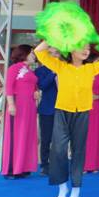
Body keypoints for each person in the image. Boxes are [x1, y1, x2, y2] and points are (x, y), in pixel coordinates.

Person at [34, 41, 99, 197]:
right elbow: (38, 51)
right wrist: (54, 35)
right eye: (82, 47)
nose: (86, 50)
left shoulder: (91, 68)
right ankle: (62, 188)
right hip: (62, 112)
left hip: (82, 113)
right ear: (72, 50)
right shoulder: (60, 66)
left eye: (88, 48)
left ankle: (75, 190)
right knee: (58, 151)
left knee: (78, 151)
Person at [2, 45, 38, 179]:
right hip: (18, 106)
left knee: (27, 135)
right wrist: (11, 104)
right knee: (16, 136)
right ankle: (11, 169)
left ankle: (23, 167)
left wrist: (36, 92)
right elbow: (9, 87)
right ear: (24, 54)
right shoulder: (14, 68)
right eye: (32, 53)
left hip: (30, 107)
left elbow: (33, 86)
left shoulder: (29, 70)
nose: (34, 56)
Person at [35, 47, 59, 176]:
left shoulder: (65, 68)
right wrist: (53, 73)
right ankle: (45, 165)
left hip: (63, 109)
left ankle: (58, 163)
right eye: (52, 53)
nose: (55, 55)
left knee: (60, 139)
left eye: (57, 53)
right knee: (46, 139)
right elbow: (42, 85)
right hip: (47, 109)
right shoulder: (40, 71)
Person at [84, 54, 99, 173]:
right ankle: (83, 165)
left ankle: (94, 165)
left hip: (97, 109)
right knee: (83, 137)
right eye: (98, 60)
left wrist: (97, 97)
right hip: (83, 108)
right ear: (91, 61)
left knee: (95, 137)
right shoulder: (82, 74)